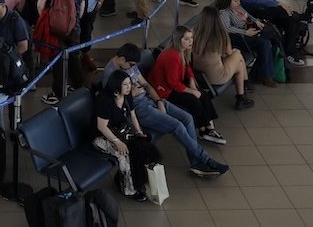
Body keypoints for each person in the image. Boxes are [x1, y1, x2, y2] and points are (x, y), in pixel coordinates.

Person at [100, 44, 229, 177]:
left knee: (187, 118)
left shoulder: (129, 65)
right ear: (122, 59)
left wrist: (159, 101)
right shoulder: (110, 75)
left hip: (150, 99)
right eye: (131, 64)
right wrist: (132, 93)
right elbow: (116, 102)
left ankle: (196, 162)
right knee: (177, 126)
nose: (133, 67)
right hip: (140, 109)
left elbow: (146, 84)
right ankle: (206, 160)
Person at [148, 26, 233, 144]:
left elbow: (187, 67)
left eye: (191, 38)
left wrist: (192, 81)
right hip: (164, 91)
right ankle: (204, 130)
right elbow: (172, 83)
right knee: (194, 100)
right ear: (179, 40)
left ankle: (208, 129)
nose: (191, 41)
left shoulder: (183, 51)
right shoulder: (172, 56)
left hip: (174, 86)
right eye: (187, 39)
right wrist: (192, 91)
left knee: (203, 95)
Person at [92, 70, 164, 202]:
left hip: (120, 131)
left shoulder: (127, 95)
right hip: (101, 136)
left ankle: (136, 180)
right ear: (116, 85)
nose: (128, 87)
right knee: (123, 154)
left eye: (129, 84)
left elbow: (133, 115)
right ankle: (129, 189)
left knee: (143, 148)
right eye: (125, 84)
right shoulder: (105, 100)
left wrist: (138, 132)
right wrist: (117, 142)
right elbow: (101, 126)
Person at [234, 0, 306, 65]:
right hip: (254, 13)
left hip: (264, 10)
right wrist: (278, 4)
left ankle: (289, 46)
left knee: (290, 17)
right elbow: (255, 0)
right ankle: (290, 51)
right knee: (289, 17)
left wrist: (278, 3)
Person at [192, 6, 253, 111]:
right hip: (215, 77)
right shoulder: (220, 35)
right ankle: (243, 91)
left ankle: (243, 93)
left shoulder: (194, 32)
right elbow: (229, 52)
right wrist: (234, 51)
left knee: (238, 62)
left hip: (197, 75)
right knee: (238, 56)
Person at [214, 0, 277, 86]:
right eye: (236, 1)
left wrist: (256, 21)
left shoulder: (237, 7)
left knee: (271, 39)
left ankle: (263, 73)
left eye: (239, 0)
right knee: (264, 43)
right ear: (228, 1)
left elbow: (248, 16)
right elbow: (227, 28)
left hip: (247, 32)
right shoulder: (224, 12)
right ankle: (264, 75)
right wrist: (245, 32)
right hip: (238, 38)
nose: (238, 3)